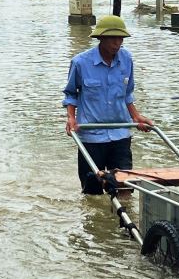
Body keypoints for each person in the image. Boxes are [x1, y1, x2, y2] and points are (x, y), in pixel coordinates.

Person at [63, 15, 152, 194]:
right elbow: (71, 94)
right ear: (101, 38)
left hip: (120, 133)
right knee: (92, 193)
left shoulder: (126, 59)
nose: (117, 43)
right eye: (113, 38)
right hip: (91, 135)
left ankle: (124, 218)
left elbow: (127, 93)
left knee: (125, 186)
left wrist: (136, 116)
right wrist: (71, 118)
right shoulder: (80, 63)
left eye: (121, 39)